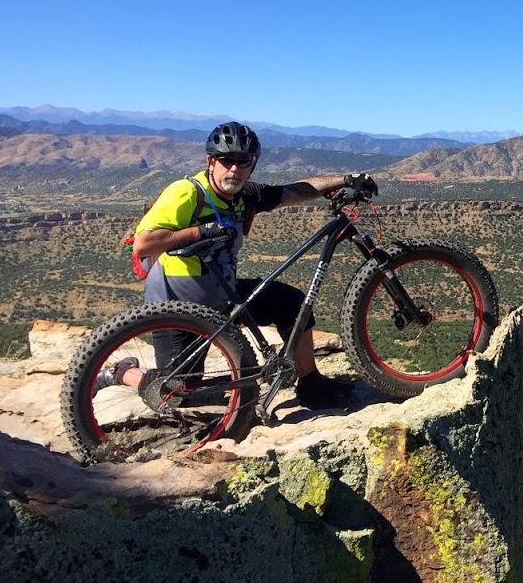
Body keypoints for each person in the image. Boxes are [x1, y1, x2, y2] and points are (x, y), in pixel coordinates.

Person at [95, 121, 378, 409]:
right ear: (210, 161)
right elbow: (144, 244)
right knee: (177, 393)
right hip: (175, 306)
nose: (234, 169)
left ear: (251, 165)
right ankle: (119, 372)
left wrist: (345, 179)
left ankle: (310, 382)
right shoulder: (187, 192)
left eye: (243, 162)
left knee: (292, 304)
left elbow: (294, 191)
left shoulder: (243, 195)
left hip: (223, 296)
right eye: (226, 160)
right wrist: (201, 232)